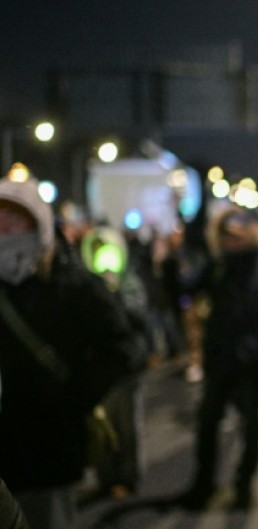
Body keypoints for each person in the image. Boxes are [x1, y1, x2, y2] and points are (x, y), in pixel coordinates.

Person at [0, 177, 140, 529]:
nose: (5, 230)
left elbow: (122, 348)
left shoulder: (73, 286)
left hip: (49, 452)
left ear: (39, 225)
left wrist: (72, 400)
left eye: (15, 220)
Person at [178, 206, 258, 510]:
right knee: (207, 424)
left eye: (238, 232)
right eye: (226, 233)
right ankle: (204, 485)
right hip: (219, 361)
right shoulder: (217, 267)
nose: (233, 239)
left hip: (252, 366)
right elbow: (185, 288)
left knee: (250, 428)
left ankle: (244, 488)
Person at [79, 226, 151, 499]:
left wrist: (115, 295)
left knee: (128, 426)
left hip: (128, 368)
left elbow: (139, 318)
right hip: (99, 368)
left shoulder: (129, 283)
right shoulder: (85, 286)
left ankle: (128, 477)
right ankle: (106, 477)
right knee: (102, 426)